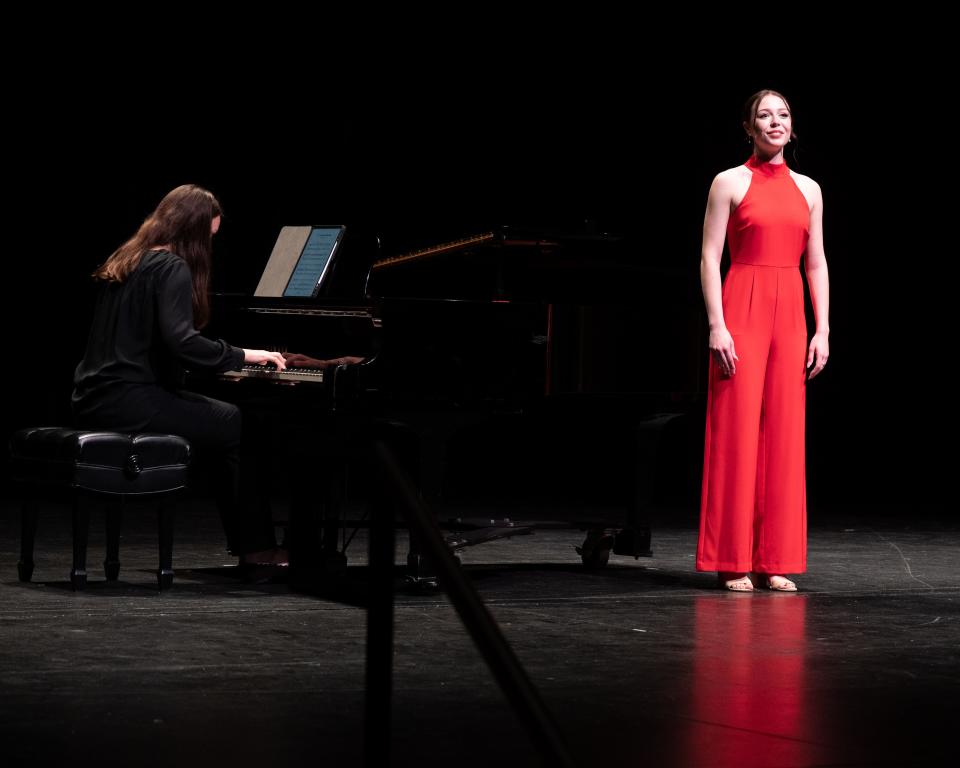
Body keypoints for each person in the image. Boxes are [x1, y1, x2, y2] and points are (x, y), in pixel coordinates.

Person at [72, 184, 289, 567]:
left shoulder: (128, 258)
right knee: (238, 423)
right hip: (130, 399)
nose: (209, 245)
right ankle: (257, 550)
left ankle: (250, 545)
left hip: (94, 396)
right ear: (193, 231)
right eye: (209, 236)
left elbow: (148, 341)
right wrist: (242, 356)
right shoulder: (172, 267)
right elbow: (182, 341)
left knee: (222, 420)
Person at [697, 90, 830, 592]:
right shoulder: (729, 182)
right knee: (736, 430)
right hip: (743, 302)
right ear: (749, 127)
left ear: (791, 128)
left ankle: (774, 558)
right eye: (763, 115)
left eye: (783, 115)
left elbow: (815, 261)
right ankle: (733, 558)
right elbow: (710, 257)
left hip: (790, 309)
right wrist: (717, 323)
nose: (774, 122)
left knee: (784, 434)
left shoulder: (810, 189)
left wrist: (823, 328)